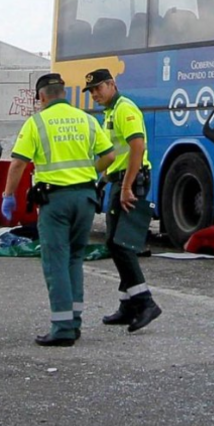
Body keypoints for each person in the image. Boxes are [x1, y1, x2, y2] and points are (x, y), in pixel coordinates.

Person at [0, 73, 114, 346]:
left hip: (56, 202)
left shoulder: (37, 123)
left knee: (55, 261)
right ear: (64, 93)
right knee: (75, 258)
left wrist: (8, 196)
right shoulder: (86, 119)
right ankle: (74, 322)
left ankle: (62, 328)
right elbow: (109, 156)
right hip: (86, 198)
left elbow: (17, 163)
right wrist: (87, 173)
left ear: (41, 97)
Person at [84, 68, 162, 333]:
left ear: (111, 84)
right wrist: (105, 178)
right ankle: (128, 305)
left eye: (97, 89)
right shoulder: (110, 112)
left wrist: (127, 186)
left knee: (120, 244)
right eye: (91, 91)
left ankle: (145, 302)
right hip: (120, 180)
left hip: (131, 181)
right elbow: (119, 151)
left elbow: (137, 147)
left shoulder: (124, 109)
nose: (94, 94)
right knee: (117, 243)